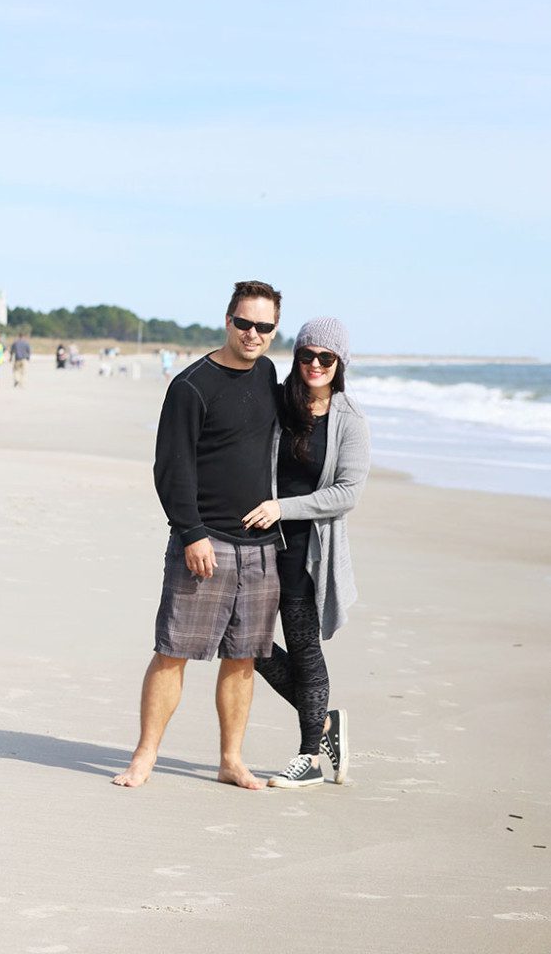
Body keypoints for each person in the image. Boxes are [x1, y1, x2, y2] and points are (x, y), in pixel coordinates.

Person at [113, 281, 283, 790]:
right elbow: (171, 468)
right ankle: (145, 755)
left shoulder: (270, 372)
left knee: (242, 657)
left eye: (265, 326)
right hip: (204, 541)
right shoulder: (191, 386)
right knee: (174, 650)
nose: (253, 334)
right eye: (245, 323)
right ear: (227, 320)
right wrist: (190, 533)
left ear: (275, 330)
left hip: (259, 546)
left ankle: (231, 759)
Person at [242, 317, 370, 788]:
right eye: (307, 355)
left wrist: (282, 507)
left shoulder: (350, 420)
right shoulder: (277, 403)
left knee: (304, 649)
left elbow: (347, 493)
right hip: (255, 542)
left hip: (308, 552)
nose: (315, 365)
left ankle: (310, 755)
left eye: (326, 358)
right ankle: (324, 724)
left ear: (340, 364)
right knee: (241, 640)